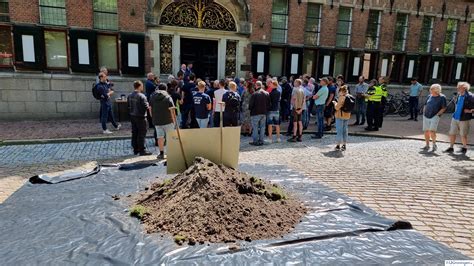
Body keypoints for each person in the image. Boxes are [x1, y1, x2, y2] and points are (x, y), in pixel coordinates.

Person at [444, 82, 474, 154]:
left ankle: (464, 148)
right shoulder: (458, 95)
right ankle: (451, 147)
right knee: (452, 133)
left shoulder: (471, 96)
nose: (457, 88)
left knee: (463, 134)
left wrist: (470, 111)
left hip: (464, 119)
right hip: (455, 117)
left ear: (464, 88)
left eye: (459, 87)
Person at [150, 84, 176, 160]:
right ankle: (171, 153)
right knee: (170, 137)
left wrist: (153, 116)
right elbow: (172, 109)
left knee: (160, 137)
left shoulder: (152, 97)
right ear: (166, 89)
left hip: (157, 120)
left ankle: (161, 153)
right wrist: (174, 120)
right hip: (168, 120)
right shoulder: (168, 97)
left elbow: (150, 108)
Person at [127, 81, 151, 156]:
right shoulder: (142, 96)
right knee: (141, 133)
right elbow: (146, 106)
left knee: (134, 133)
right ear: (139, 86)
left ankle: (135, 149)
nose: (143, 87)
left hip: (132, 116)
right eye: (142, 86)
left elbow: (128, 105)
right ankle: (142, 150)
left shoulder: (130, 95)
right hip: (141, 116)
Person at [422, 84, 447, 152]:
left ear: (436, 90)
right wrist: (424, 112)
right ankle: (427, 145)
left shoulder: (442, 97)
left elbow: (444, 108)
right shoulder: (429, 96)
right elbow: (425, 104)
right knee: (426, 131)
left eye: (431, 89)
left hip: (435, 116)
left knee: (432, 131)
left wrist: (437, 114)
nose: (430, 90)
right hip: (426, 115)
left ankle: (434, 144)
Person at [249, 81, 270, 146]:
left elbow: (250, 105)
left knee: (255, 127)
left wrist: (250, 109)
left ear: (256, 85)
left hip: (255, 113)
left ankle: (255, 141)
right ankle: (261, 140)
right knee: (262, 127)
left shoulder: (254, 94)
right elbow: (269, 104)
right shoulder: (266, 93)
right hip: (263, 113)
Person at [333, 85, 351, 151]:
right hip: (347, 115)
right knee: (345, 130)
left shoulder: (341, 97)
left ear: (341, 91)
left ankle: (338, 145)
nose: (338, 93)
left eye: (339, 91)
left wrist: (335, 103)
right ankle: (344, 144)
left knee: (339, 131)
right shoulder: (349, 96)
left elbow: (337, 107)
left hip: (340, 116)